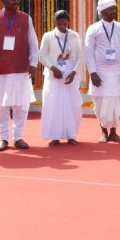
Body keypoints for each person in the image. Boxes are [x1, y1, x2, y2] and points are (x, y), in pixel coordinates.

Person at [0, 0, 38, 151]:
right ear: (3, 0)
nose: (16, 2)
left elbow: (33, 42)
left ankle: (19, 137)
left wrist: (33, 64)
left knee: (21, 105)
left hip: (21, 68)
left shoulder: (26, 18)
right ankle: (3, 138)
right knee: (1, 106)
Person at [85, 0, 120, 143]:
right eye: (111, 9)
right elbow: (88, 52)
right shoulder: (93, 29)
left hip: (118, 72)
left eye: (115, 9)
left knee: (117, 102)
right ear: (103, 11)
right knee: (100, 103)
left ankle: (113, 132)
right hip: (100, 72)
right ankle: (104, 132)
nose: (114, 12)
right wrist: (92, 72)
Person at [38, 10, 84, 146]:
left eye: (65, 23)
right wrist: (52, 68)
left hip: (70, 76)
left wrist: (74, 72)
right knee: (53, 106)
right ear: (55, 23)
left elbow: (80, 56)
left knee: (72, 105)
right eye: (59, 24)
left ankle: (71, 135)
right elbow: (42, 56)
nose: (62, 26)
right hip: (54, 76)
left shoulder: (74, 36)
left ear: (68, 22)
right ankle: (55, 136)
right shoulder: (48, 36)